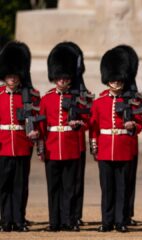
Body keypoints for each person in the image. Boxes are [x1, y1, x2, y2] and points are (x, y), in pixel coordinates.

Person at [90, 46, 142, 233]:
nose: (117, 83)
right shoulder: (99, 102)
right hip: (105, 148)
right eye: (113, 79)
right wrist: (94, 145)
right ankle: (107, 221)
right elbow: (94, 126)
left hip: (124, 148)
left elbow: (140, 123)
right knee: (107, 189)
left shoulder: (133, 101)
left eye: (119, 80)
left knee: (122, 188)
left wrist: (133, 126)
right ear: (107, 80)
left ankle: (121, 221)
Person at [39, 42, 89, 232]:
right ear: (54, 78)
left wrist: (79, 124)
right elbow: (42, 126)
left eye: (65, 78)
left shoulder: (77, 98)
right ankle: (54, 222)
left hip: (70, 149)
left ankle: (69, 221)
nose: (62, 81)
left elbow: (87, 121)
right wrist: (41, 147)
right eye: (59, 78)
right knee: (53, 188)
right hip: (52, 147)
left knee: (69, 187)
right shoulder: (46, 98)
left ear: (69, 79)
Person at [0, 41, 40, 232]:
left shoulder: (30, 96)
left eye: (15, 76)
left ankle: (19, 220)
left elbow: (39, 120)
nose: (12, 79)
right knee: (3, 185)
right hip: (3, 145)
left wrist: (36, 132)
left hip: (22, 145)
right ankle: (5, 220)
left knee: (20, 186)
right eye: (9, 76)